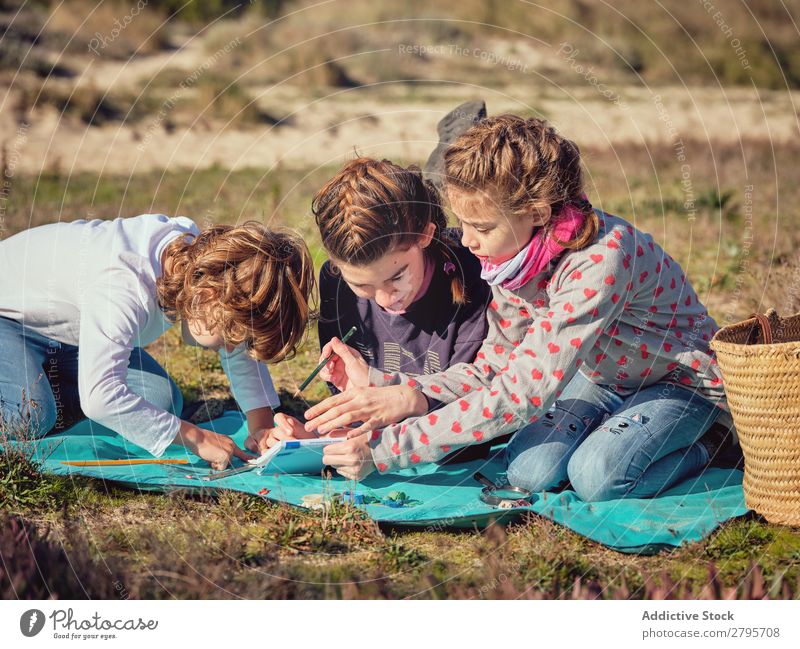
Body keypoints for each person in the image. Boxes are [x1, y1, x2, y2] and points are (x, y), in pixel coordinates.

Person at [305, 115, 732, 502]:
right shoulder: (512, 261)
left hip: (676, 382)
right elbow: (491, 369)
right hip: (598, 378)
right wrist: (396, 388)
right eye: (464, 223)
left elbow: (522, 395)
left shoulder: (600, 260)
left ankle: (713, 441)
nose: (468, 242)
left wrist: (387, 449)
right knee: (528, 472)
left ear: (537, 212)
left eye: (482, 227)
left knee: (597, 476)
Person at [0, 214, 315, 470]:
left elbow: (235, 344)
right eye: (233, 337)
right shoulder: (124, 285)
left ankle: (47, 391)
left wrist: (260, 427)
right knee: (32, 414)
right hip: (9, 320)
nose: (233, 348)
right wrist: (196, 439)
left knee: (160, 401)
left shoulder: (199, 267)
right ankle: (43, 399)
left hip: (66, 336)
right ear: (206, 298)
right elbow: (100, 398)